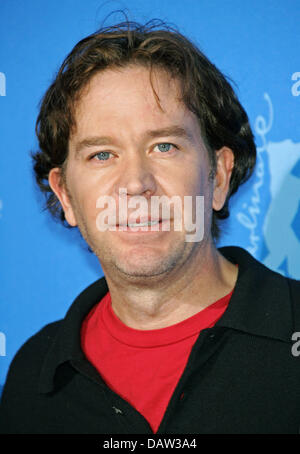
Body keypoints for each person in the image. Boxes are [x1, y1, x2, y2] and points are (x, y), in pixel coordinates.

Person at [1, 19, 300, 435]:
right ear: (65, 195)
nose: (135, 183)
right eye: (102, 155)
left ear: (218, 177)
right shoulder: (32, 377)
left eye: (164, 146)